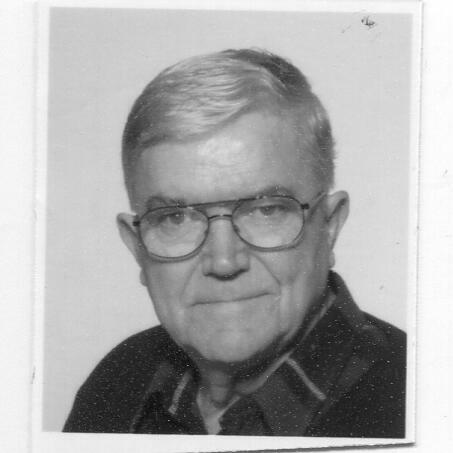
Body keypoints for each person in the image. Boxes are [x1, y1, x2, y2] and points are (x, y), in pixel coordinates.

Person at [63, 48, 406, 437]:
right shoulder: (117, 384)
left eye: (266, 210)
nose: (224, 261)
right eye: (175, 218)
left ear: (329, 226)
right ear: (138, 247)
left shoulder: (420, 400)